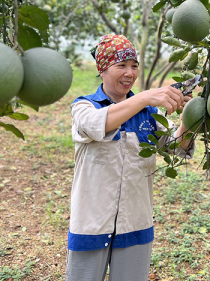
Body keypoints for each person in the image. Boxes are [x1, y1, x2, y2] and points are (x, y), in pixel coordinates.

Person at [66, 34, 195, 281]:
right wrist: (145, 97)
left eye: (134, 66)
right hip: (90, 226)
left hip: (135, 225)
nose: (130, 73)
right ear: (101, 69)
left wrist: (191, 117)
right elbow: (97, 124)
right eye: (121, 65)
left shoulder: (149, 115)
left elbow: (176, 146)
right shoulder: (85, 107)